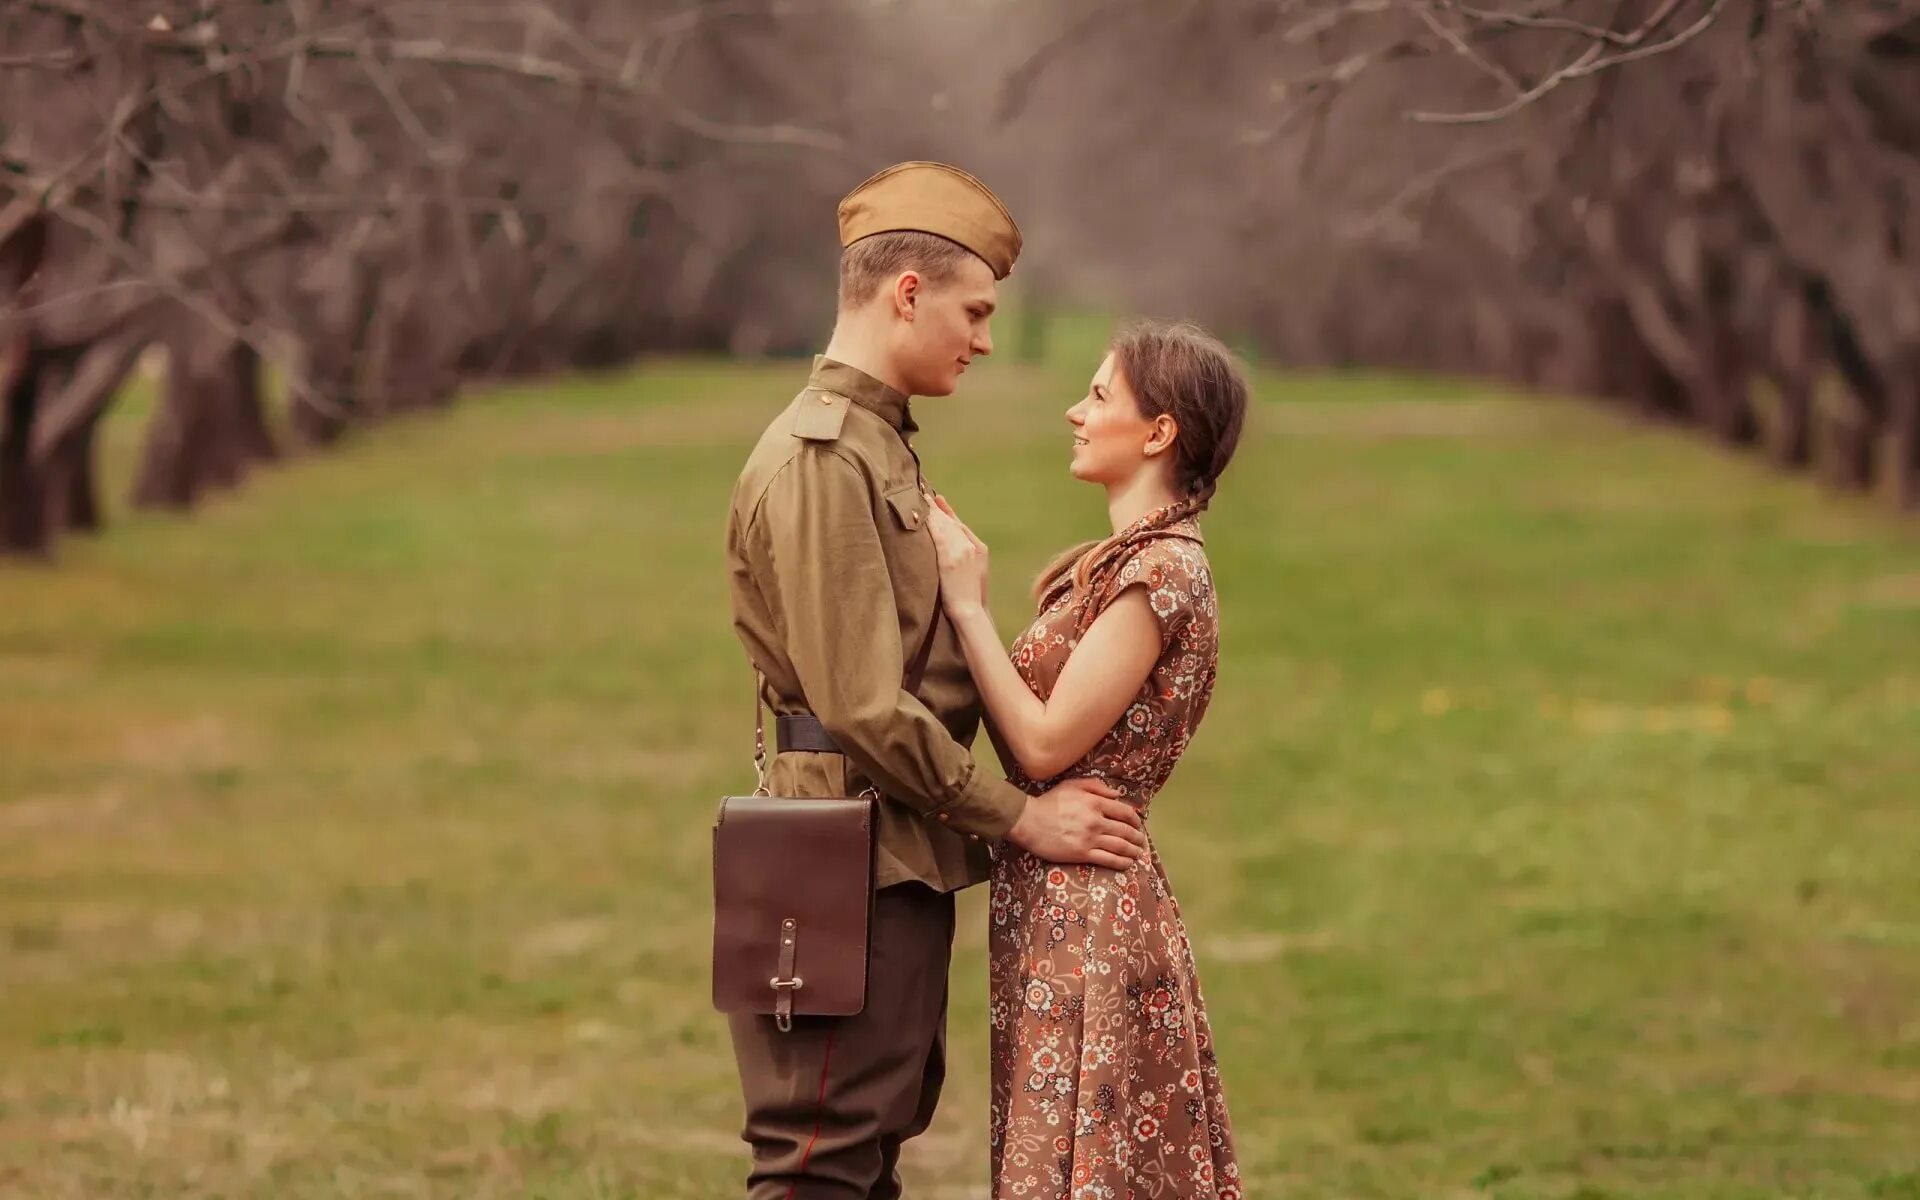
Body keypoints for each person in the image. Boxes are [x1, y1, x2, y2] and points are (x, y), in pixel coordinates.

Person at [722, 161, 1151, 1200]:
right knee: (819, 1161)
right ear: (905, 294)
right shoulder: (826, 458)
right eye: (975, 310)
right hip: (843, 858)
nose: (986, 337)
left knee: (865, 1148)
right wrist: (1020, 819)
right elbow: (863, 704)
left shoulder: (873, 444)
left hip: (888, 849)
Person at [926, 320, 1249, 1199]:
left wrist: (967, 607)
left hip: (1094, 912)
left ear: (1159, 432)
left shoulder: (1163, 575)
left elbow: (1041, 742)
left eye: (1100, 394)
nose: (1076, 410)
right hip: (1057, 896)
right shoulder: (1119, 564)